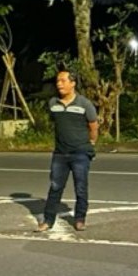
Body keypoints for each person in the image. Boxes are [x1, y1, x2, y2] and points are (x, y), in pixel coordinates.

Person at [36, 70, 99, 233]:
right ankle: (48, 220)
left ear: (73, 83)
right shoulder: (53, 103)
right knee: (55, 187)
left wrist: (91, 143)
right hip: (60, 154)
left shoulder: (84, 103)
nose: (59, 84)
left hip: (80, 153)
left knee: (81, 188)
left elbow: (93, 126)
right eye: (58, 81)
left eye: (63, 81)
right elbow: (55, 123)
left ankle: (79, 219)